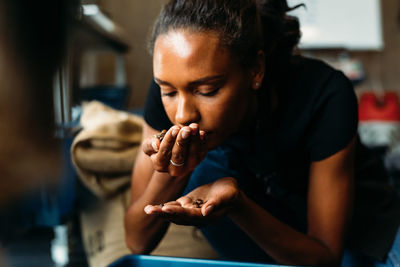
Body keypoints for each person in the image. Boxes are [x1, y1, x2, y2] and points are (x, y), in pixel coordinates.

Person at [124, 0, 400, 266]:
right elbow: (137, 241)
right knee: (207, 170)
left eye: (207, 90)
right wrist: (175, 171)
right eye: (168, 91)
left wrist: (238, 205)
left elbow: (325, 256)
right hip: (264, 241)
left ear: (255, 70)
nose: (183, 114)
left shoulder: (324, 95)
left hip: (358, 234)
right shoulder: (169, 95)